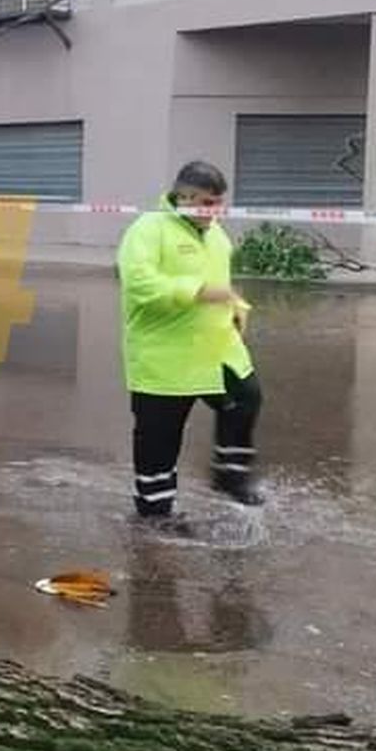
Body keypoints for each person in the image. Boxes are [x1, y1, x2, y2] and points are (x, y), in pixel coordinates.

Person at [116, 160, 263, 521]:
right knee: (161, 438)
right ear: (184, 197)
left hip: (216, 351)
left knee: (246, 397)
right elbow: (139, 284)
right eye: (207, 203)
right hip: (165, 356)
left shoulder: (216, 235)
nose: (215, 212)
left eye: (219, 203)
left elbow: (220, 286)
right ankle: (155, 509)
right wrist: (195, 291)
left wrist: (236, 308)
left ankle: (230, 476)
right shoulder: (149, 230)